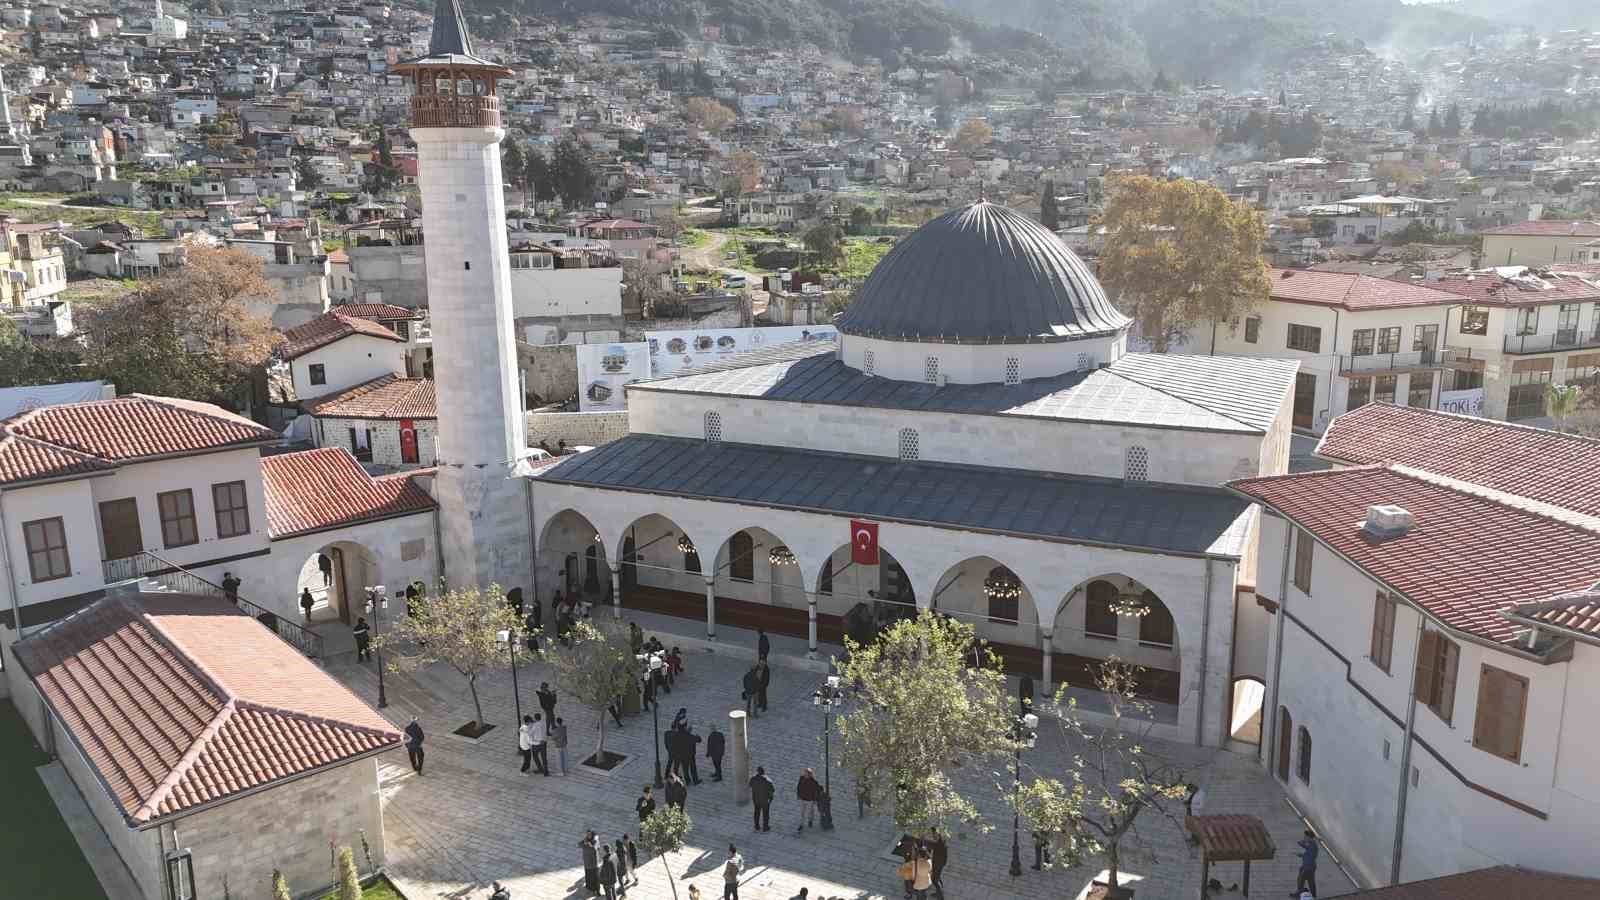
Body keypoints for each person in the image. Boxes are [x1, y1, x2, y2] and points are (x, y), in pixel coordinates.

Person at [749, 766, 775, 831]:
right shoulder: (767, 781)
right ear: (763, 773)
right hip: (765, 801)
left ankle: (757, 826)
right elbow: (772, 790)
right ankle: (765, 827)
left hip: (756, 799)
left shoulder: (753, 779)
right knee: (765, 814)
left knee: (756, 812)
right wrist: (771, 798)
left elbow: (750, 785)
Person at [1296, 830, 1319, 898]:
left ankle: (1299, 894)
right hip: (1310, 866)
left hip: (1308, 866)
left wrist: (1303, 841)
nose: (1304, 837)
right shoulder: (1312, 844)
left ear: (1309, 837)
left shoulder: (1311, 844)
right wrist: (1302, 855)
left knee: (1300, 880)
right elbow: (1308, 854)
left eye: (1305, 836)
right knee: (1311, 881)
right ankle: (1313, 895)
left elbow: (1301, 843)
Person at [928, 829, 948, 897]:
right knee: (937, 878)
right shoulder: (941, 843)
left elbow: (934, 850)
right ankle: (939, 891)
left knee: (934, 880)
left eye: (934, 835)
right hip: (940, 863)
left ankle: (940, 894)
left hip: (937, 864)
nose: (933, 836)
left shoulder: (939, 844)